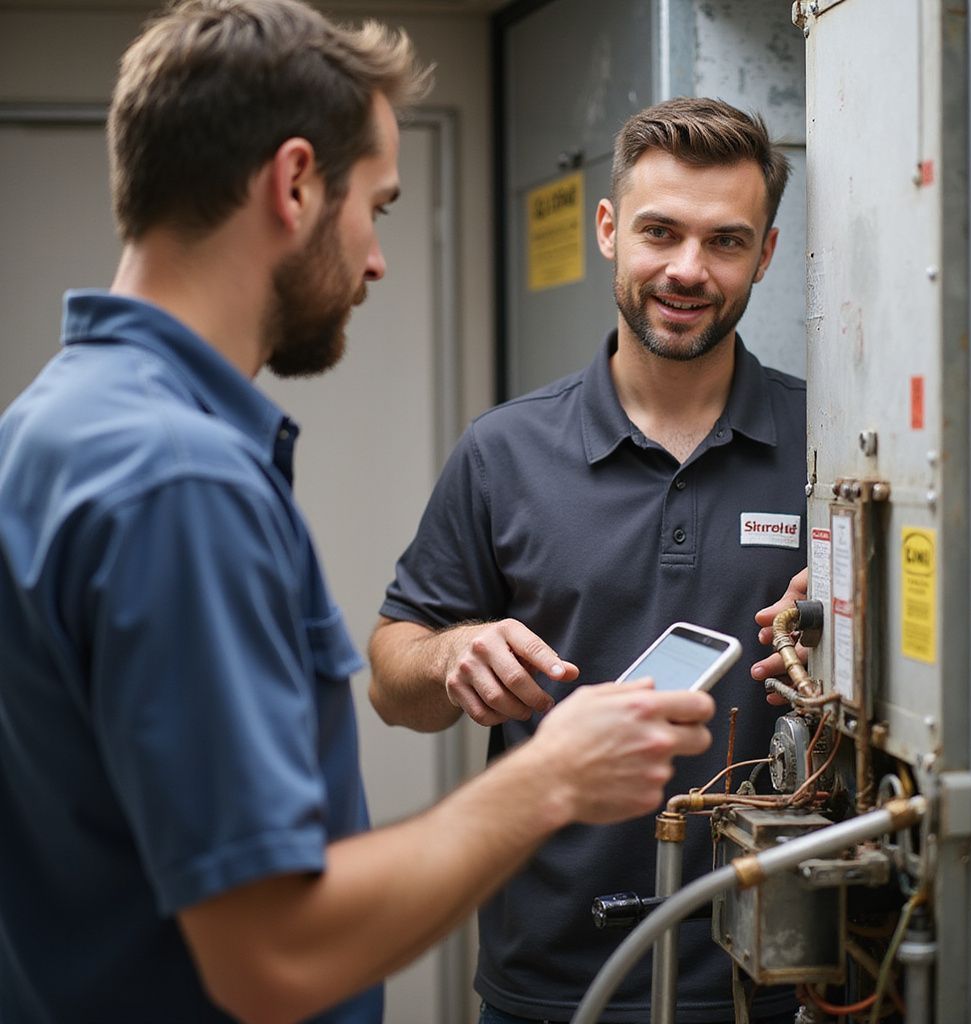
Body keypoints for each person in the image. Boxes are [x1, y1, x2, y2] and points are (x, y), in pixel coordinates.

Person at [0, 5, 718, 1022]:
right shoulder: (179, 480)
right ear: (294, 183)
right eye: (375, 206)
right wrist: (551, 777)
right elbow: (275, 955)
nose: (376, 258)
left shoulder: (51, 422)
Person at [369, 97, 807, 1024]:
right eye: (660, 232)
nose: (688, 270)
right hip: (552, 982)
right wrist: (450, 656)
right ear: (609, 231)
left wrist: (849, 624)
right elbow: (390, 679)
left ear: (765, 255)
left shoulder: (830, 447)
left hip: (781, 975)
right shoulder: (504, 451)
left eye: (726, 242)